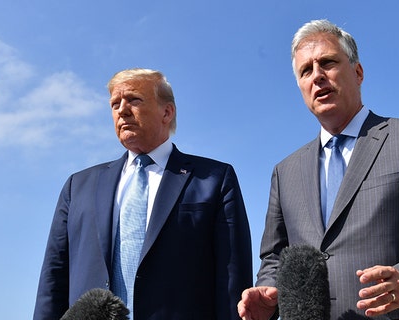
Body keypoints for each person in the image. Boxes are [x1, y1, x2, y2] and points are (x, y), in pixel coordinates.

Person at [238, 19, 399, 320]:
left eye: (327, 63)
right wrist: (267, 292)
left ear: (357, 72)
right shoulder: (284, 172)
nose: (317, 76)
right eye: (306, 70)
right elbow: (275, 257)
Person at [34, 68, 252, 320]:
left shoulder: (214, 178)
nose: (122, 110)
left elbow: (232, 281)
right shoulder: (78, 186)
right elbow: (53, 279)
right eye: (115, 104)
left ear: (167, 112)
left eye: (134, 100)